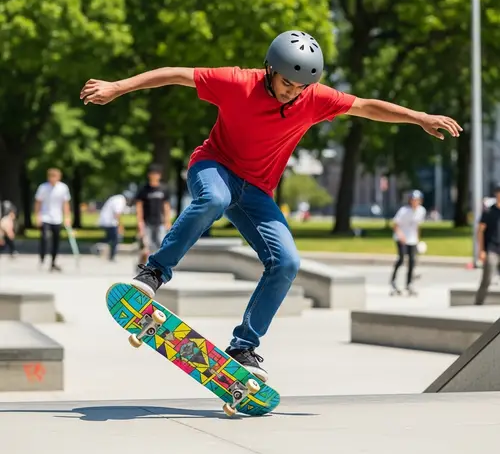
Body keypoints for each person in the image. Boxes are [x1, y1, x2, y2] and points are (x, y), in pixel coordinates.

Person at [80, 29, 462, 381]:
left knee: (287, 263)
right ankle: (154, 273)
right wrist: (118, 86)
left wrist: (418, 118)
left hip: (257, 193)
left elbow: (365, 106)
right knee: (215, 198)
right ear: (269, 69)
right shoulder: (236, 82)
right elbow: (176, 74)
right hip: (214, 167)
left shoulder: (315, 99)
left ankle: (243, 347)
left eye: (301, 87)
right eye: (286, 83)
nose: (292, 93)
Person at [389, 190, 426, 296]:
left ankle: (409, 283)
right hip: (401, 237)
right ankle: (393, 281)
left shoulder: (421, 211)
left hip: (412, 239)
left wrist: (418, 239)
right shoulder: (404, 211)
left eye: (417, 200)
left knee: (412, 261)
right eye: (413, 200)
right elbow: (395, 224)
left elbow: (417, 226)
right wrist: (401, 236)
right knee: (401, 259)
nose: (415, 202)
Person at [34, 168, 72, 271]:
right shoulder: (43, 188)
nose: (52, 179)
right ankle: (42, 258)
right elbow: (38, 202)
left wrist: (67, 217)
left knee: (56, 240)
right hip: (46, 216)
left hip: (57, 217)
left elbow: (65, 203)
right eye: (51, 176)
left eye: (55, 176)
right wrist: (38, 216)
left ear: (58, 177)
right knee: (45, 238)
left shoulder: (63, 188)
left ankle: (53, 262)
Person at [135, 164, 172, 266]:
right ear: (149, 175)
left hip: (159, 222)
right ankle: (141, 266)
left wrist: (168, 221)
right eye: (153, 174)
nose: (155, 176)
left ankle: (159, 267)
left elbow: (166, 206)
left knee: (162, 244)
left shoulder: (164, 189)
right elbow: (139, 206)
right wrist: (140, 221)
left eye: (157, 174)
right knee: (146, 247)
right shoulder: (144, 189)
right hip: (147, 221)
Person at [475, 184, 500, 305]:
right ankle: (479, 301)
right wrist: (481, 250)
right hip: (492, 249)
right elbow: (480, 231)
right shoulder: (489, 212)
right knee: (488, 278)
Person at [98, 193, 129, 261]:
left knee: (110, 238)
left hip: (107, 220)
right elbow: (117, 214)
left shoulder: (117, 198)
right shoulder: (121, 200)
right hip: (109, 221)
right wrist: (121, 226)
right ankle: (111, 255)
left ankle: (101, 248)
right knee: (115, 238)